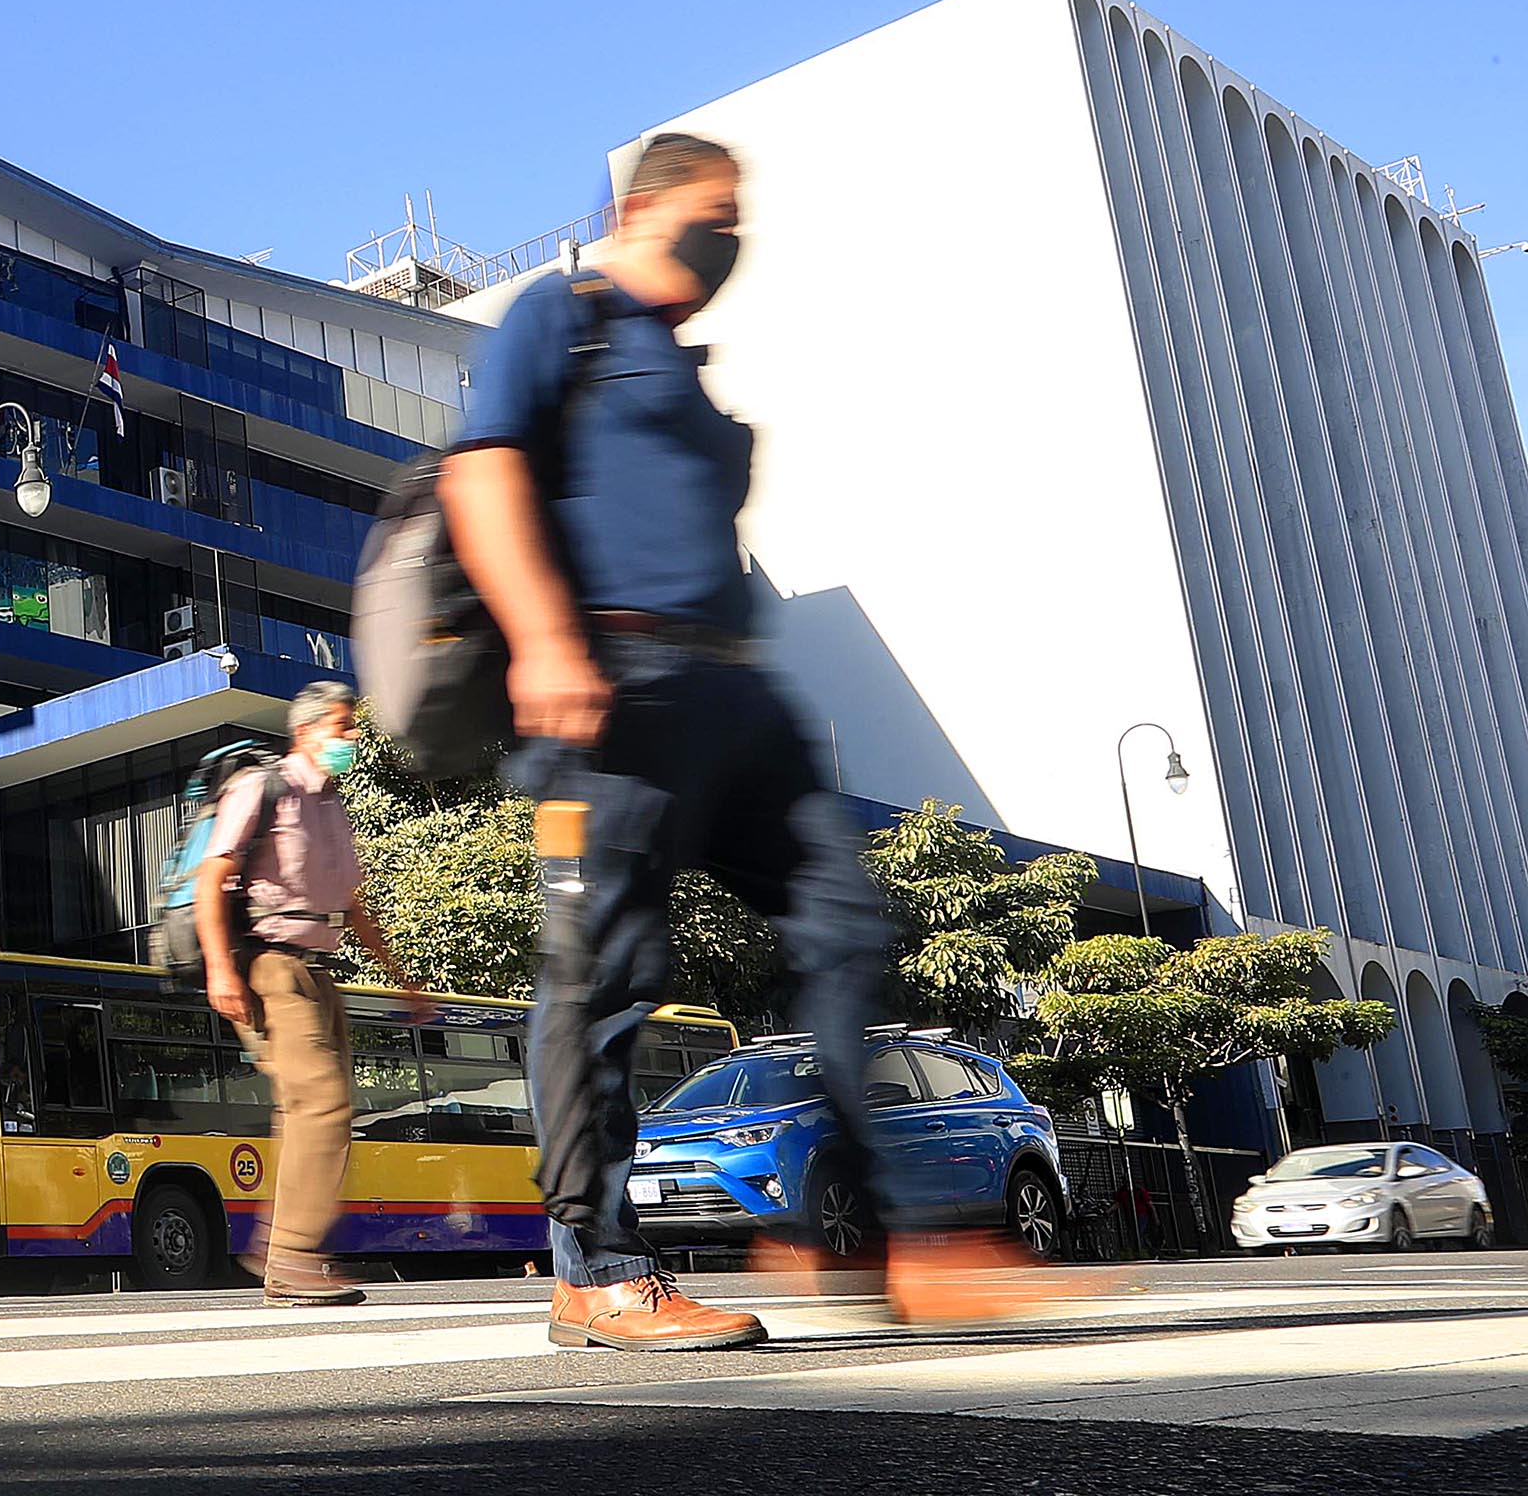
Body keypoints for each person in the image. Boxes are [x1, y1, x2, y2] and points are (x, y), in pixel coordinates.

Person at [441, 130, 1038, 1350]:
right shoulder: (566, 318)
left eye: (738, 219)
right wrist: (545, 637)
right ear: (641, 206)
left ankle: (891, 1245)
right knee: (604, 978)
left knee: (846, 927)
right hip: (616, 693)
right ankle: (596, 1270)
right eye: (714, 215)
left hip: (737, 701)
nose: (730, 239)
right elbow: (482, 473)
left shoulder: (671, 357)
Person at [193, 679, 431, 1305]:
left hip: (319, 973)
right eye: (342, 727)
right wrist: (221, 969)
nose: (352, 739)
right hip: (269, 965)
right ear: (305, 731)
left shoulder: (332, 806)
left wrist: (399, 974)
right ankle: (295, 1254)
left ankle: (285, 1255)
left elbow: (352, 902)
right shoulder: (264, 788)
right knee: (320, 1103)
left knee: (315, 1110)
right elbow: (212, 876)